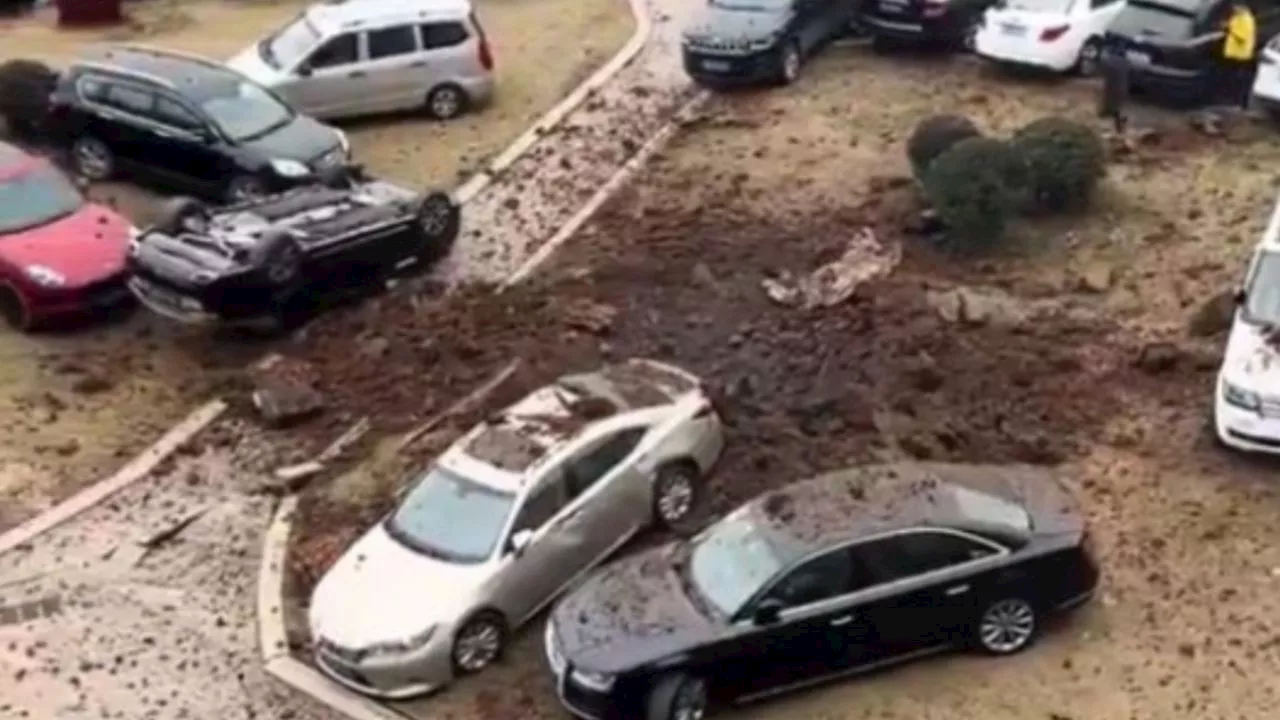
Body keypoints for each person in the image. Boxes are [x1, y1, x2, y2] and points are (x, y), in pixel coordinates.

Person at [1220, 1, 1258, 110]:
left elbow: (1242, 37)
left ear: (1242, 7)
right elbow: (1232, 25)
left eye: (1235, 8)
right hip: (1233, 54)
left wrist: (1229, 29)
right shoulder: (1237, 17)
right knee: (1231, 77)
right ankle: (1231, 100)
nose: (1234, 10)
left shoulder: (1246, 20)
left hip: (1240, 56)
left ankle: (1238, 103)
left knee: (1238, 80)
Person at [1099, 35, 1131, 134]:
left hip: (1112, 87)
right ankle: (1118, 123)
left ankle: (1117, 123)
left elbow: (1102, 70)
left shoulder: (1110, 60)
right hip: (1121, 87)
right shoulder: (1126, 62)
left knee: (1111, 103)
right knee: (1116, 105)